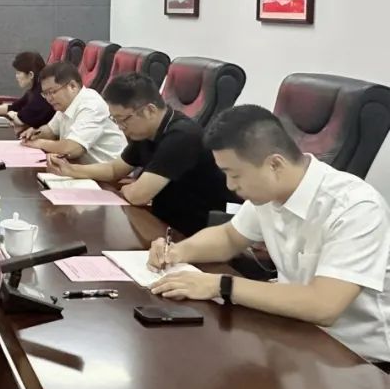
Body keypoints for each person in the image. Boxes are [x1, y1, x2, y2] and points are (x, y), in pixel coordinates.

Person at [148, 105, 390, 366]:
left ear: (275, 164)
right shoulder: (269, 192)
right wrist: (178, 251)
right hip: (295, 333)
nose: (230, 185)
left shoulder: (356, 208)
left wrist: (221, 285)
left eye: (234, 175)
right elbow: (229, 237)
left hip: (357, 359)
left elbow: (324, 305)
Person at [46, 73, 231, 236]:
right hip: (158, 221)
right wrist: (70, 170)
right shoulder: (144, 131)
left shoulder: (182, 137)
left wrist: (129, 189)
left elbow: (139, 195)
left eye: (123, 119)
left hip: (190, 232)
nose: (120, 127)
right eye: (115, 120)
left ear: (149, 110)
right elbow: (114, 170)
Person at [19, 61, 125, 164]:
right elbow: (51, 131)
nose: (49, 99)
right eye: (45, 94)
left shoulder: (91, 106)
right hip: (81, 168)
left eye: (52, 92)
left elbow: (72, 149)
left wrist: (39, 143)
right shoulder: (65, 104)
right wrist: (35, 133)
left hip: (109, 173)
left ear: (72, 86)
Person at [0, 51, 55, 129]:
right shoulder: (33, 90)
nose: (16, 76)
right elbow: (12, 108)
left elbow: (20, 120)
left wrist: (13, 114)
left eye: (18, 73)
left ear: (30, 75)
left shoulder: (40, 95)